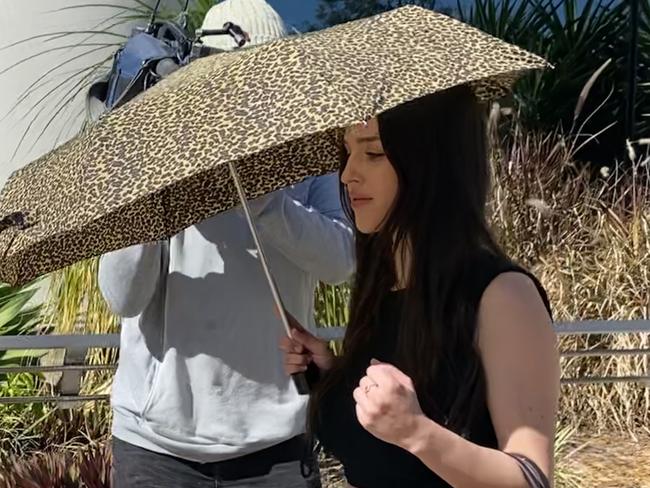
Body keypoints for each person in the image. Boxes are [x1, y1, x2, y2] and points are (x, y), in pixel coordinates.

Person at [100, 1, 354, 487]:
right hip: (154, 447)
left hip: (277, 443)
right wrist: (147, 200)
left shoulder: (310, 154)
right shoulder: (158, 150)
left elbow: (342, 260)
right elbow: (122, 298)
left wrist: (268, 204)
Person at [281, 84, 561, 488]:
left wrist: (417, 432)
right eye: (348, 152)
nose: (347, 174)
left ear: (431, 161)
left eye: (373, 153)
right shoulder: (382, 288)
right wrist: (330, 376)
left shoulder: (502, 296)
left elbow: (532, 479)